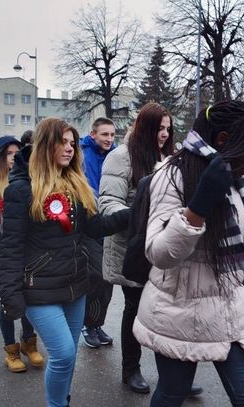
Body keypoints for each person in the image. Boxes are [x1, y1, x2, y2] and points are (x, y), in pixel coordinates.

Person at [132, 100, 244, 407]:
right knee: (171, 394)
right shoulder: (171, 176)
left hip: (229, 307)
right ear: (223, 140)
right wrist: (196, 210)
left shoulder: (234, 181)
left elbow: (237, 245)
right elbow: (159, 253)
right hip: (179, 313)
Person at [0, 118, 131, 407]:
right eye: (63, 142)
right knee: (64, 354)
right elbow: (10, 249)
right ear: (47, 145)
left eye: (72, 143)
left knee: (67, 358)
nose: (70, 148)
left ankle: (63, 400)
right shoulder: (20, 189)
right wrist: (10, 296)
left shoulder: (76, 184)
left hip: (75, 286)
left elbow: (94, 229)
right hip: (39, 289)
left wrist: (131, 213)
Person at [99, 103, 205, 395]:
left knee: (171, 313)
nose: (164, 134)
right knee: (134, 309)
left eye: (168, 129)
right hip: (133, 249)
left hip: (166, 249)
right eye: (159, 128)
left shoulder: (172, 158)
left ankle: (175, 379)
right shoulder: (120, 158)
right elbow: (108, 205)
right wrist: (144, 217)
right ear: (144, 128)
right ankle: (130, 370)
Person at [0, 136, 44, 372]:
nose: (15, 157)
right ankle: (11, 349)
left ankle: (29, 343)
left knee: (29, 298)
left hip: (25, 251)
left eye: (17, 153)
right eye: (9, 153)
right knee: (8, 301)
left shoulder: (27, 181)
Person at [79, 117, 116, 348]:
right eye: (105, 135)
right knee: (96, 277)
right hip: (91, 225)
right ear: (93, 134)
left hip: (109, 226)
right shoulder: (82, 155)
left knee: (109, 280)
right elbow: (87, 187)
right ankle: (87, 323)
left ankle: (97, 324)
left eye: (112, 135)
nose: (109, 139)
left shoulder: (114, 155)